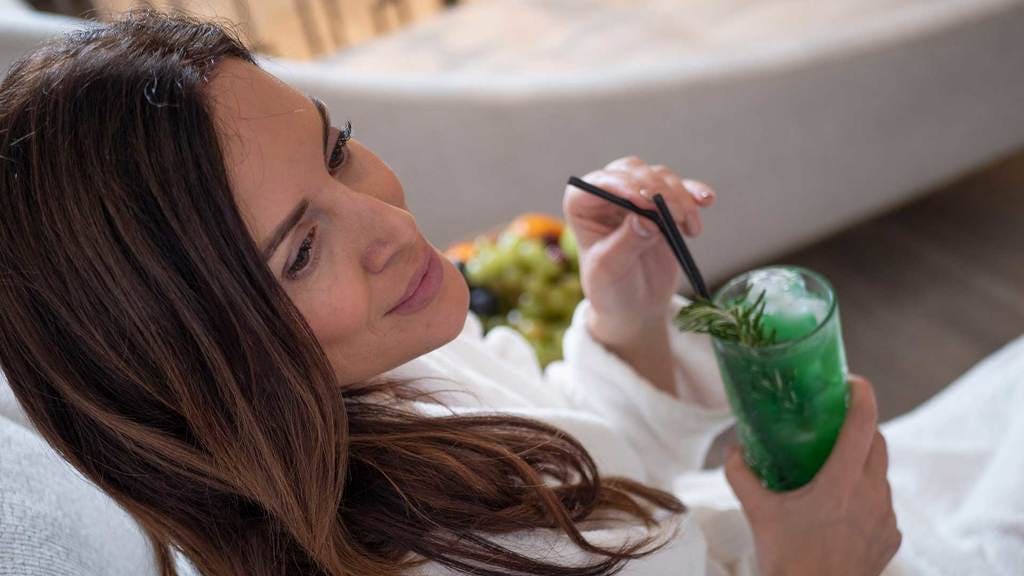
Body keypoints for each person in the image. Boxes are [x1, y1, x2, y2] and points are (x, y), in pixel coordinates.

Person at [0, 10, 1019, 576]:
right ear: (190, 362)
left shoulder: (375, 368)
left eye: (337, 148)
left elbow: (577, 457)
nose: (391, 225)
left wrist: (625, 321)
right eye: (301, 252)